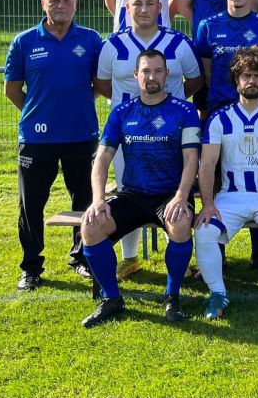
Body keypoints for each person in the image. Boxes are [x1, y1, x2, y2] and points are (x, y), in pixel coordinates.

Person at [79, 49, 201, 327]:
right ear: (136, 75)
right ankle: (111, 299)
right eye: (146, 71)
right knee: (91, 227)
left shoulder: (185, 111)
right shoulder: (122, 112)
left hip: (169, 193)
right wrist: (98, 200)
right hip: (133, 194)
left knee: (181, 224)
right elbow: (102, 159)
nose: (152, 77)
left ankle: (172, 296)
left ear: (167, 75)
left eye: (158, 71)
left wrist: (182, 197)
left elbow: (191, 158)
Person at [95, 0, 203, 280]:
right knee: (127, 189)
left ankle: (179, 257)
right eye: (137, 4)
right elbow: (103, 85)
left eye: (150, 3)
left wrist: (170, 104)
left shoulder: (179, 43)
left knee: (173, 192)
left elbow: (194, 81)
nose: (144, 9)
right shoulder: (112, 45)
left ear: (160, 8)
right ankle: (129, 259)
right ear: (126, 9)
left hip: (171, 132)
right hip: (128, 134)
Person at [4, 0, 103, 291]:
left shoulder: (90, 40)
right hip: (36, 138)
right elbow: (12, 89)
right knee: (31, 204)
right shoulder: (24, 41)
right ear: (43, 4)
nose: (61, 5)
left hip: (81, 135)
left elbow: (99, 86)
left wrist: (73, 110)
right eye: (54, 0)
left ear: (75, 5)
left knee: (85, 200)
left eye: (67, 0)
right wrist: (39, 113)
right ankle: (31, 267)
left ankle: (82, 258)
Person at [195, 0, 258, 268]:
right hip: (221, 111)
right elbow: (206, 70)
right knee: (223, 177)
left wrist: (254, 96)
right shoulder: (209, 26)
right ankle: (216, 246)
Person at [195, 47, 258, 320]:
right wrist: (207, 204)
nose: (251, 81)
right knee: (204, 231)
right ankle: (217, 293)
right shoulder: (219, 119)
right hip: (230, 197)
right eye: (246, 75)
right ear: (236, 80)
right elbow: (206, 165)